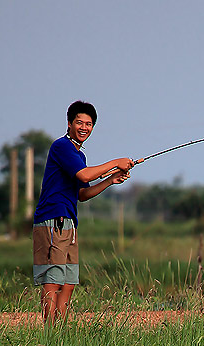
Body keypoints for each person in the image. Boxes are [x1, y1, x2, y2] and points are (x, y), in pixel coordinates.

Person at [33, 100, 135, 324]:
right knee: (53, 281)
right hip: (53, 219)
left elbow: (82, 193)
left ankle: (61, 336)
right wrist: (116, 162)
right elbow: (85, 176)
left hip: (69, 222)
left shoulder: (79, 156)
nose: (84, 127)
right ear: (69, 123)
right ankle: (51, 335)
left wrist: (111, 180)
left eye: (89, 124)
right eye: (79, 122)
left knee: (68, 283)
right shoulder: (61, 147)